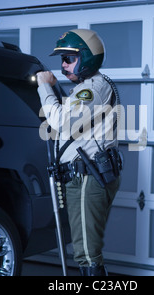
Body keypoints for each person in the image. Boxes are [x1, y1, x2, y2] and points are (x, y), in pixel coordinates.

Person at [36, 29, 122, 276]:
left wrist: (44, 86)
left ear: (87, 58)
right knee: (85, 250)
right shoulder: (85, 89)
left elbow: (60, 121)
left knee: (86, 253)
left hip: (88, 176)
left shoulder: (93, 88)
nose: (63, 66)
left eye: (69, 59)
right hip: (84, 176)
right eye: (62, 59)